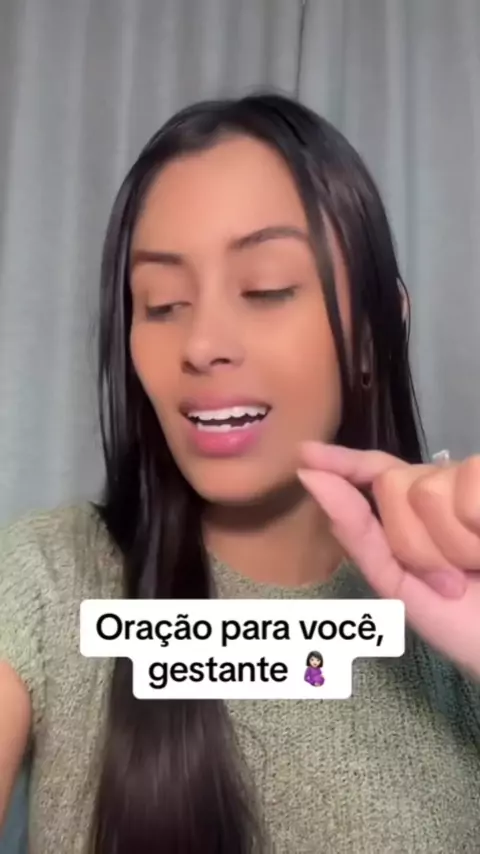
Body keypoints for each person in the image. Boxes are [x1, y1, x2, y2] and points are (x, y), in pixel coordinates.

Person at [0, 92, 479, 854]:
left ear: (373, 332)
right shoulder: (45, 580)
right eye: (162, 304)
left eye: (266, 289)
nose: (201, 344)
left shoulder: (455, 625)